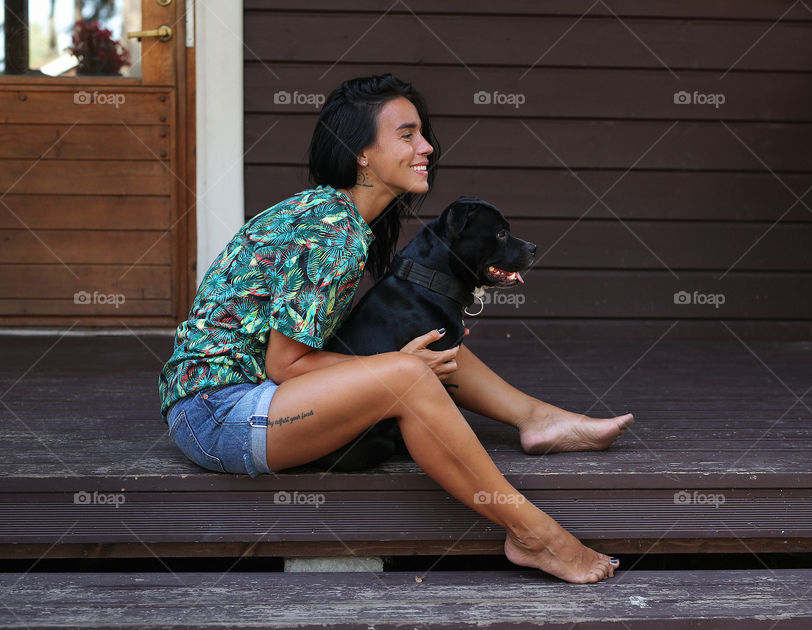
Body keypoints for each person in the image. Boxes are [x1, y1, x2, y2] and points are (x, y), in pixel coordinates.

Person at [159, 73, 634, 583]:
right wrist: (399, 368)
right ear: (361, 154)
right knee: (409, 374)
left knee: (424, 340)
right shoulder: (332, 233)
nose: (426, 146)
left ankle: (537, 419)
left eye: (421, 133)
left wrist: (399, 360)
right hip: (219, 416)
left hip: (244, 402)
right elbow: (285, 364)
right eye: (407, 135)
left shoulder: (337, 216)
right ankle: (536, 536)